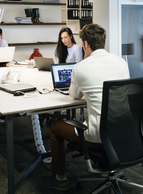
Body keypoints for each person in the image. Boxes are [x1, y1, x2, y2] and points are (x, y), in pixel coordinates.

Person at [39, 24, 130, 191]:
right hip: (125, 133)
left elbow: (74, 95)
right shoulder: (121, 62)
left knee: (55, 127)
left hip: (98, 137)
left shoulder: (81, 67)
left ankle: (60, 178)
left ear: (86, 44)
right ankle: (103, 167)